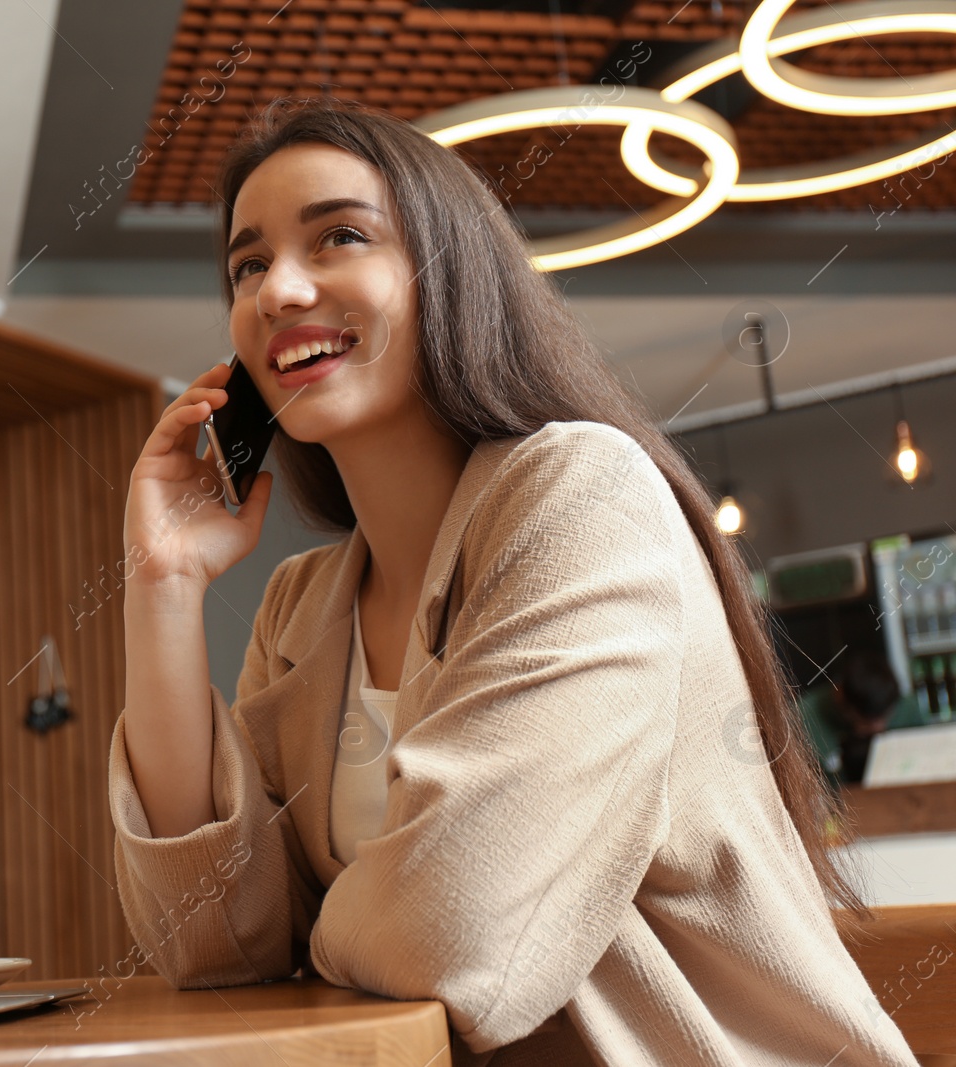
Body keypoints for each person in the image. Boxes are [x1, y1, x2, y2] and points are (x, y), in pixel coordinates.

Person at [108, 99, 915, 1066]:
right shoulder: (299, 606)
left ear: (449, 274)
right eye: (247, 264)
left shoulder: (582, 494)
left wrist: (311, 935)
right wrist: (162, 586)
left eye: (340, 237)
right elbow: (214, 943)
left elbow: (455, 935)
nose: (278, 288)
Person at [799, 648, 926, 788]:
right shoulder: (801, 723)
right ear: (839, 697)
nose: (879, 727)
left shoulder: (907, 708)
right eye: (868, 720)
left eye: (886, 716)